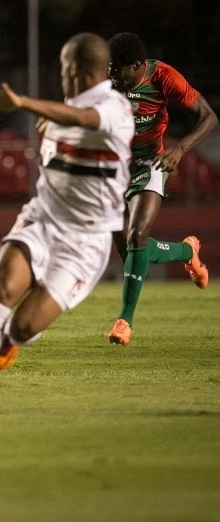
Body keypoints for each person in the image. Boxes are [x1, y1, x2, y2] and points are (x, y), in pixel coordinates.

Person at [0, 32, 134, 417]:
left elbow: (85, 120)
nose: (60, 75)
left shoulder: (113, 106)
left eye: (63, 68)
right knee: (2, 286)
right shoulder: (64, 107)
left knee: (24, 326)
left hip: (86, 241)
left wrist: (25, 105)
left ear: (76, 71)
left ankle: (11, 339)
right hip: (44, 219)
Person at [105, 31, 216, 346]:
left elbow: (209, 118)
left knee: (137, 234)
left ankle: (125, 321)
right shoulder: (106, 84)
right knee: (130, 251)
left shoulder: (164, 77)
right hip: (114, 168)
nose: (110, 75)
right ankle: (186, 251)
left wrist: (179, 149)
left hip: (150, 163)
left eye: (116, 70)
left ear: (137, 65)